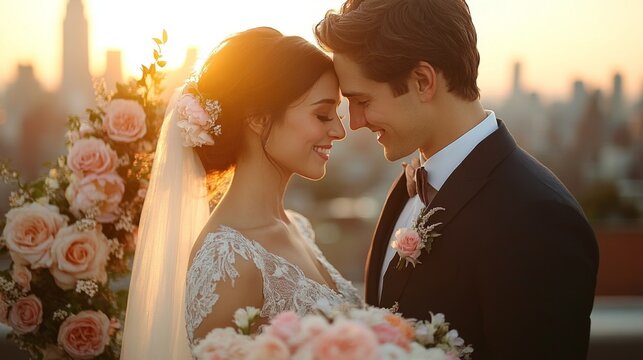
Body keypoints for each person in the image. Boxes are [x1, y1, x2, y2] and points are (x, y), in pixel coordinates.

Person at [315, 1, 599, 359]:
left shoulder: (539, 218)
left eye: (362, 100)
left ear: (423, 81)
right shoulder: (404, 189)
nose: (354, 122)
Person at [120, 27, 361, 359]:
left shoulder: (297, 226)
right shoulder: (228, 261)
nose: (339, 130)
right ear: (259, 118)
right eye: (322, 114)